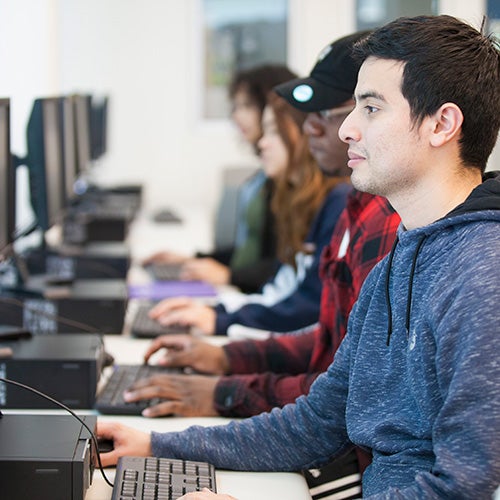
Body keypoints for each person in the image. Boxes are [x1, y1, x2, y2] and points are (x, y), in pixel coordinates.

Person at [98, 15, 500, 498]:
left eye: (370, 108)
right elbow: (317, 422)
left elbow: (464, 487)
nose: (347, 128)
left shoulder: (481, 276)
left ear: (442, 124)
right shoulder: (400, 263)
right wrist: (161, 446)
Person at [117, 30, 399, 500]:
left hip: (350, 465)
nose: (323, 129)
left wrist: (225, 387)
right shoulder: (357, 207)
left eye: (362, 111)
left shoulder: (394, 228)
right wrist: (226, 359)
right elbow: (332, 348)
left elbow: (344, 405)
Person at [146, 87, 352, 337]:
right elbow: (276, 293)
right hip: (271, 331)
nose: (262, 143)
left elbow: (305, 309)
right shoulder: (295, 202)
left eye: (274, 132)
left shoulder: (336, 203)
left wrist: (220, 319)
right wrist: (218, 311)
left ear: (302, 137)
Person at [144, 64, 297, 293]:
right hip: (246, 292)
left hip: (256, 297)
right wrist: (193, 260)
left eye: (246, 106)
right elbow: (247, 252)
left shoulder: (292, 182)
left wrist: (228, 275)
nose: (237, 116)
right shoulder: (266, 176)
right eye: (235, 107)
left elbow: (282, 267)